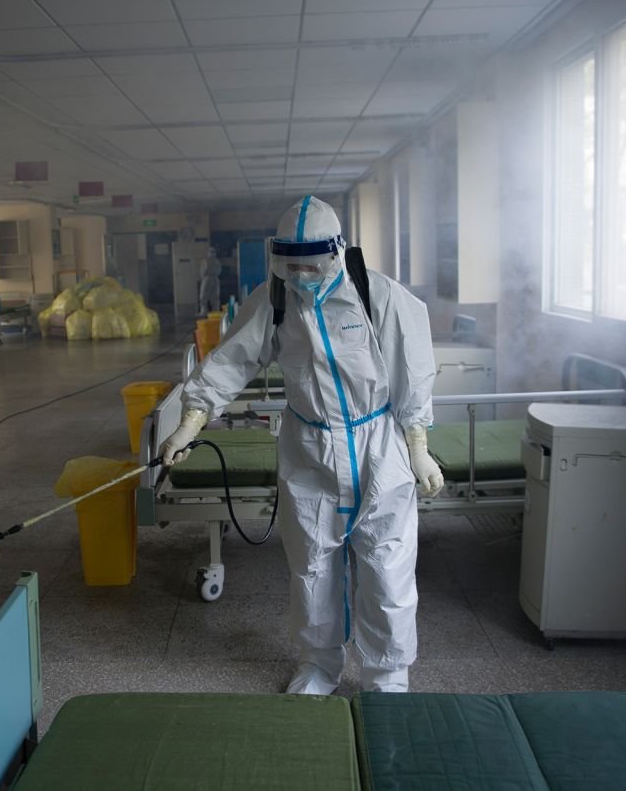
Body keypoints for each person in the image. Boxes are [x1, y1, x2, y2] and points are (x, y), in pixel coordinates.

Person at [159, 196, 442, 695]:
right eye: (292, 264)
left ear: (336, 252)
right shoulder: (276, 298)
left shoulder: (377, 296)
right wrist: (192, 421)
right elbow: (232, 361)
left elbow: (413, 370)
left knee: (387, 566)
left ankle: (388, 675)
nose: (302, 273)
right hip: (308, 449)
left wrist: (417, 445)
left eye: (311, 264)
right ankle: (318, 665)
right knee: (311, 564)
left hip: (377, 445)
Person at [198, 247, 222, 312]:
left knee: (204, 297)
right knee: (215, 297)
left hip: (207, 279)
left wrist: (201, 279)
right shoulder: (217, 261)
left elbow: (203, 271)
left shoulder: (205, 261)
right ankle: (215, 312)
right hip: (216, 279)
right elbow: (219, 271)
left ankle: (204, 312)